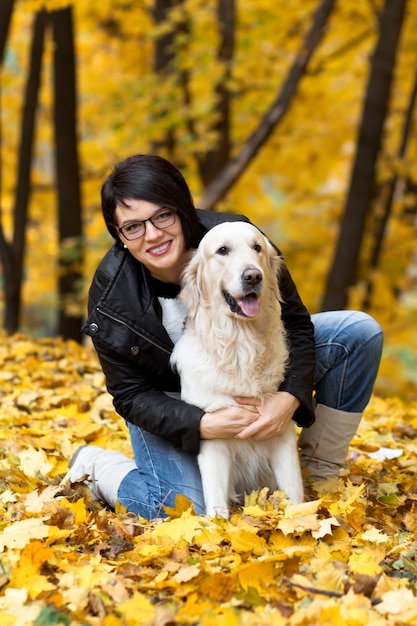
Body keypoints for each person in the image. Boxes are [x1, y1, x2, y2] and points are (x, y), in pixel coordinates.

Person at [65, 154, 383, 519]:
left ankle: (317, 470)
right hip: (171, 403)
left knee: (357, 333)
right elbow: (130, 395)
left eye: (162, 216)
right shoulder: (111, 297)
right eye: (133, 227)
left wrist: (291, 394)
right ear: (120, 237)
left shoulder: (242, 240)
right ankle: (98, 467)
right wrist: (198, 423)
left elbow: (295, 324)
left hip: (259, 365)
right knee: (180, 510)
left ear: (182, 211)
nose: (152, 235)